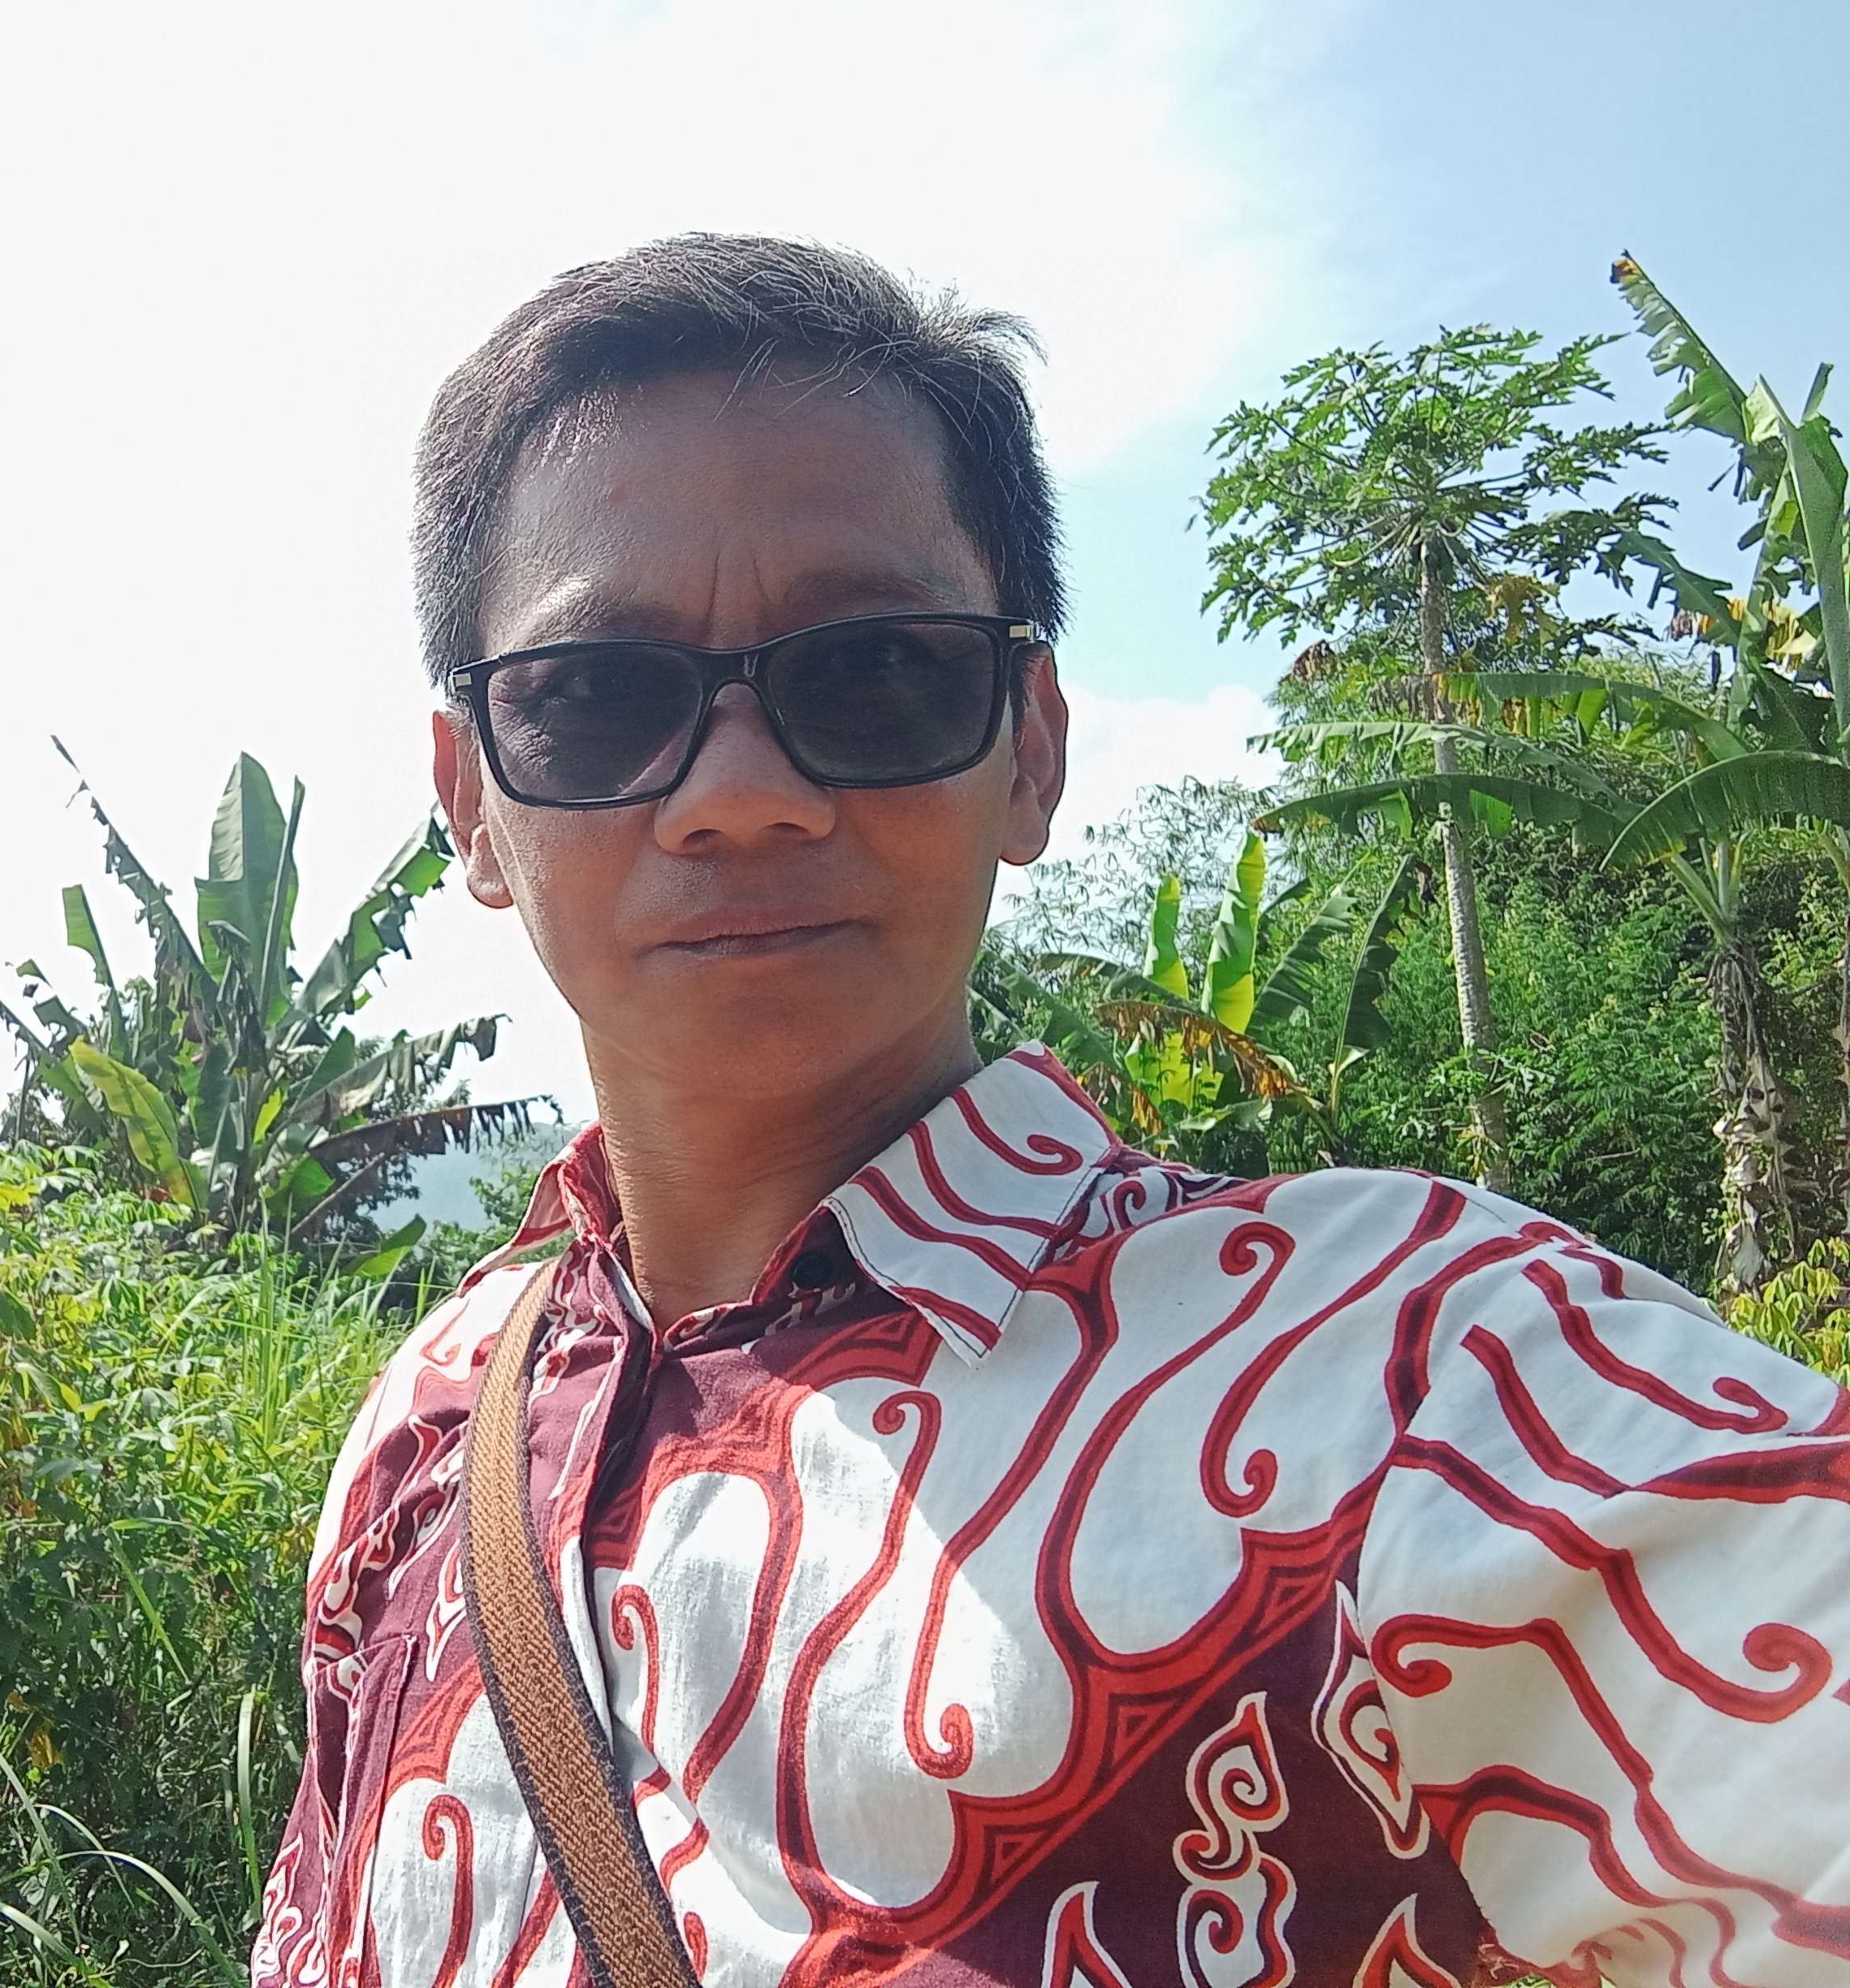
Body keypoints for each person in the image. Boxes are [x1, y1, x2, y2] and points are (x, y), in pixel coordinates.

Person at [249, 235, 1850, 1988]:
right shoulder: (424, 1424)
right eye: (597, 697)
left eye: (873, 672)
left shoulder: (1408, 1379)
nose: (741, 795)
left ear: (1032, 748)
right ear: (469, 801)